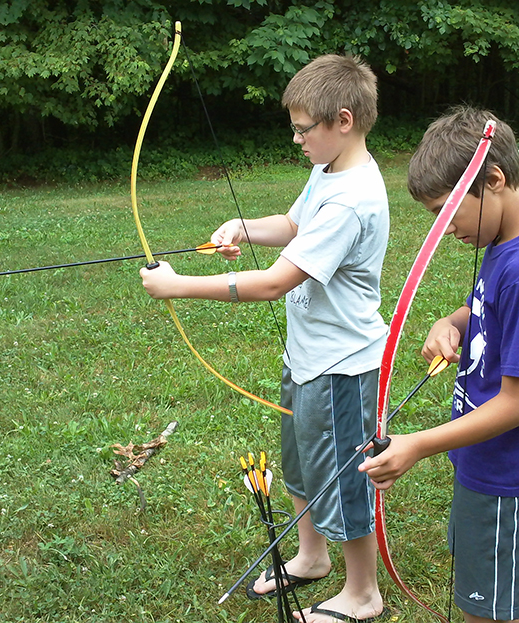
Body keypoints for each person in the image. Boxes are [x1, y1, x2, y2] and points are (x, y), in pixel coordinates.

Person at [140, 54, 389, 623]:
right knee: (300, 464)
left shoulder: (353, 200)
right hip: (308, 356)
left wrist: (179, 286)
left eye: (303, 130)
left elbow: (276, 282)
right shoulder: (329, 169)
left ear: (343, 120)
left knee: (342, 479)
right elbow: (295, 225)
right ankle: (311, 556)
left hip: (343, 366)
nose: (297, 139)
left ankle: (363, 593)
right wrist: (243, 227)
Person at [359, 106, 519, 623]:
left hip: (506, 479)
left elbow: (515, 403)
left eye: (447, 212)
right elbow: (484, 310)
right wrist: (449, 322)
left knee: (489, 612)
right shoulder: (502, 245)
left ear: (493, 180)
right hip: (483, 465)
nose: (443, 228)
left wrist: (418, 444)